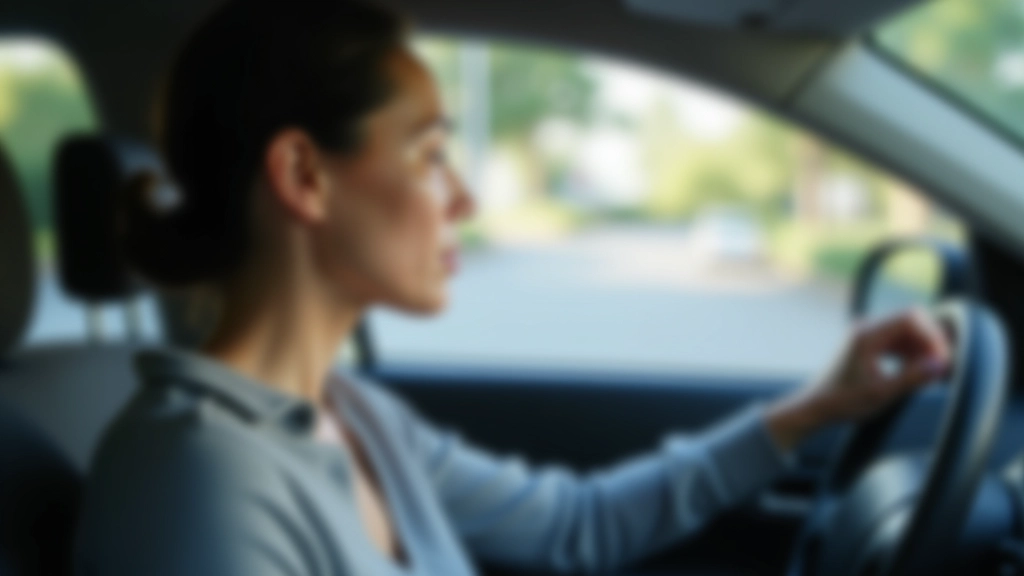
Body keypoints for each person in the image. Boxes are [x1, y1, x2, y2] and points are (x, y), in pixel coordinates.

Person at [73, 1, 952, 574]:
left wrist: (813, 408)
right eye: (427, 156)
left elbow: (576, 526)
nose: (465, 198)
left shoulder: (360, 417)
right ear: (305, 176)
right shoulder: (195, 474)